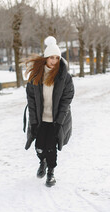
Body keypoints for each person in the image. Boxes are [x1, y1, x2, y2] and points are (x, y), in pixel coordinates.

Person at [24, 36, 74, 187]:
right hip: (40, 118)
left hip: (56, 119)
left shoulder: (64, 77)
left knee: (51, 147)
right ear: (46, 58)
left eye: (57, 58)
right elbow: (31, 101)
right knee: (39, 146)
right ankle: (42, 162)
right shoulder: (35, 76)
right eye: (51, 57)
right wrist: (33, 121)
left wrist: (59, 122)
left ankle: (51, 172)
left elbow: (67, 99)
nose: (54, 61)